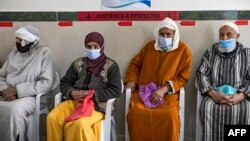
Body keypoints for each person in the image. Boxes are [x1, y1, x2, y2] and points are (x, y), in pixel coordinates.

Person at [124, 17, 192, 141]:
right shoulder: (150, 47)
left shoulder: (183, 51)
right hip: (144, 93)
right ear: (157, 34)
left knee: (170, 116)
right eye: (162, 34)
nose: (164, 37)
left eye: (168, 34)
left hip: (167, 95)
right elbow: (135, 64)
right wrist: (132, 80)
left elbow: (183, 78)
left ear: (174, 34)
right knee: (135, 115)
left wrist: (164, 89)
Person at [46, 32, 122, 141]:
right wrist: (72, 92)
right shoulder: (78, 63)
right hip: (74, 102)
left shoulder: (111, 66)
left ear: (102, 47)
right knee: (52, 118)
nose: (92, 49)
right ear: (85, 47)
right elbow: (65, 82)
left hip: (97, 106)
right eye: (89, 46)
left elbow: (116, 90)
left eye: (95, 46)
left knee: (79, 124)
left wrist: (91, 94)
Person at [0, 26, 58, 141]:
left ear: (26, 41)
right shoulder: (13, 53)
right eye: (16, 39)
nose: (17, 42)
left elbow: (46, 83)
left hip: (33, 96)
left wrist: (17, 91)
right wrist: (5, 91)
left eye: (20, 40)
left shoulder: (44, 53)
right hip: (7, 93)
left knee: (14, 109)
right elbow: (1, 75)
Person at [196, 22, 250, 141]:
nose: (224, 38)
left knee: (246, 110)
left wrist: (240, 96)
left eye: (229, 34)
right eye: (221, 34)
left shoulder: (247, 54)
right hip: (215, 95)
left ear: (237, 36)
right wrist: (213, 93)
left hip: (239, 96)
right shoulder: (210, 52)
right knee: (207, 107)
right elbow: (201, 74)